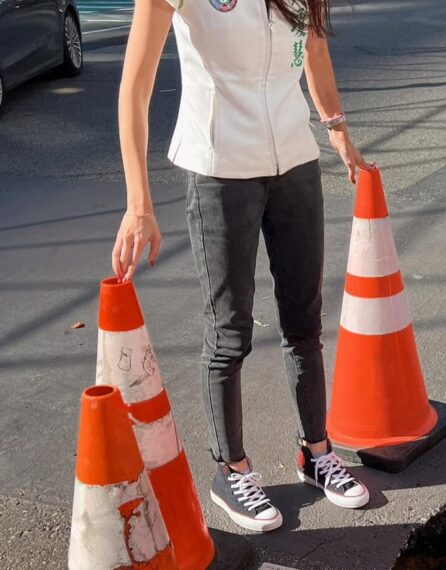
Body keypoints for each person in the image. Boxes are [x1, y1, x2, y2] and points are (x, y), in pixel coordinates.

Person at [111, 0, 371, 532]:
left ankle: (315, 452)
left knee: (304, 318)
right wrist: (139, 203)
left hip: (294, 160)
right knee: (229, 332)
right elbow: (135, 88)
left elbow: (314, 44)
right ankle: (232, 469)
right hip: (220, 167)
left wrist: (337, 130)